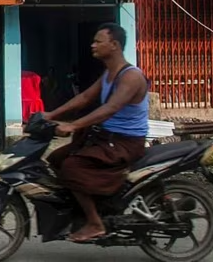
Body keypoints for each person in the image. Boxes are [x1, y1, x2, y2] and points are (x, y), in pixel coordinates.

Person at [42, 22, 148, 243]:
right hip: (106, 138)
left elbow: (110, 108)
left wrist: (73, 125)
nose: (93, 45)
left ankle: (94, 223)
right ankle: (90, 205)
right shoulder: (110, 73)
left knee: (72, 168)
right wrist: (51, 114)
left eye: (98, 41)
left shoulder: (131, 76)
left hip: (124, 142)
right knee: (56, 158)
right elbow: (84, 98)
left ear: (114, 45)